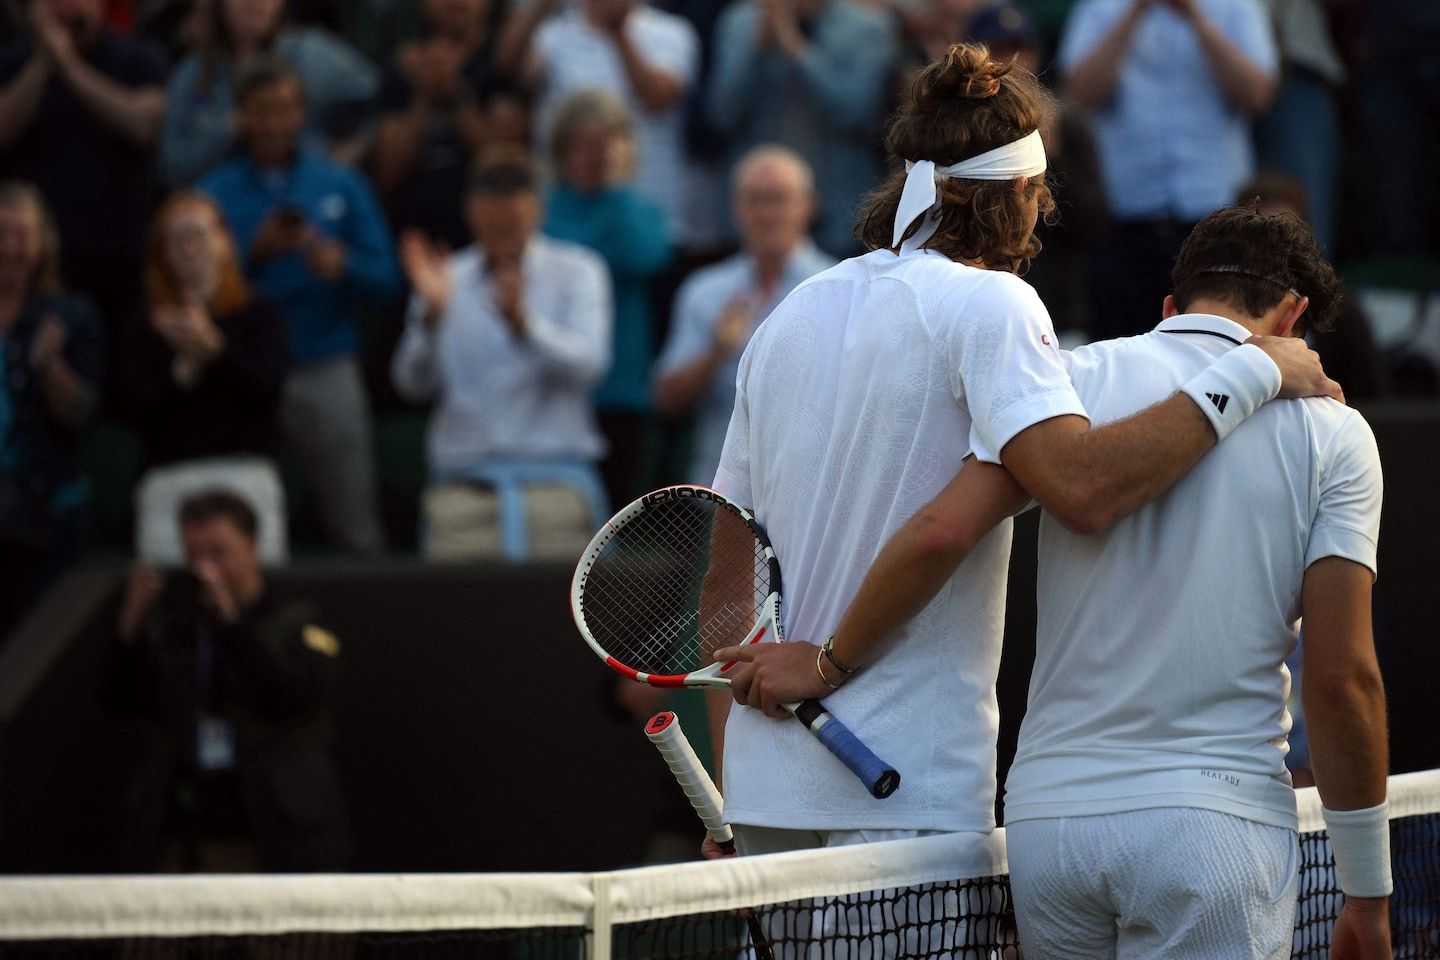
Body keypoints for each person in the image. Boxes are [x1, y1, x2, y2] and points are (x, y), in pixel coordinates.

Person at [698, 44, 1335, 866]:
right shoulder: (994, 304)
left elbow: (725, 565)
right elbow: (1080, 489)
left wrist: (729, 791)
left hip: (763, 800)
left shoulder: (792, 310)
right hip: (903, 797)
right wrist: (1251, 368)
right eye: (1039, 194)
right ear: (1021, 193)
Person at [736, 205, 1392, 958]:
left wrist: (826, 661)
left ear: (1171, 307)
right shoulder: (1334, 434)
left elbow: (939, 531)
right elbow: (1342, 681)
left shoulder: (1064, 384)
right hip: (1214, 827)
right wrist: (1367, 893)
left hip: (1050, 833)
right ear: (1295, 317)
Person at [201, 58, 400, 555]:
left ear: (302, 114)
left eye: (287, 110)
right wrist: (254, 254)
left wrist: (342, 267)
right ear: (241, 117)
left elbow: (387, 281)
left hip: (325, 364)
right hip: (242, 374)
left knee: (355, 527)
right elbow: (194, 288)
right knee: (245, 532)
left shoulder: (340, 183)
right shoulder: (215, 193)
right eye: (262, 111)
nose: (275, 123)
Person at [105, 490, 350, 872]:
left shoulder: (297, 620)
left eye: (219, 554)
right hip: (191, 831)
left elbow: (297, 697)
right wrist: (130, 628)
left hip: (280, 831)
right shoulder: (178, 626)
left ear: (252, 545)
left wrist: (234, 624)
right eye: (195, 556)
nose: (206, 570)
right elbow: (120, 704)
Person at [392, 150, 612, 562]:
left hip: (555, 485)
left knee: (559, 623)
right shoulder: (446, 277)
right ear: (472, 213)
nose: (504, 234)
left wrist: (524, 326)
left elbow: (590, 366)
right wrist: (430, 319)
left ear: (537, 210)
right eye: (493, 224)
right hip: (463, 488)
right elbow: (411, 384)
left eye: (514, 223)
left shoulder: (579, 271)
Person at [1058, 0, 1277, 340]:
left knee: (1216, 346)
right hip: (1126, 214)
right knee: (1125, 350)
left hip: (1215, 213)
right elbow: (1081, 92)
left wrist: (1195, 16)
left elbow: (1256, 94)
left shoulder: (1236, 6)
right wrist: (1135, 11)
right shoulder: (1101, 7)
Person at [117, 191, 290, 566]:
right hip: (170, 479)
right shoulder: (145, 325)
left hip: (245, 475)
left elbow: (268, 389)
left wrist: (215, 350)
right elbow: (134, 408)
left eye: (199, 234)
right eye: (177, 238)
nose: (191, 248)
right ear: (162, 254)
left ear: (226, 242)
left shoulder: (259, 313)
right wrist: (183, 368)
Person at [654, 145, 833, 487]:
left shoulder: (837, 287)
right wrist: (716, 351)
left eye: (778, 199)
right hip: (720, 493)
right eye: (754, 200)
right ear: (735, 208)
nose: (766, 213)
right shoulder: (705, 291)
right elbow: (667, 402)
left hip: (809, 490)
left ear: (808, 206)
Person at [0, 0, 168, 331]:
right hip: (29, 259)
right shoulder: (11, 59)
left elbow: (144, 126)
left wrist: (67, 64)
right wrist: (43, 63)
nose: (66, 8)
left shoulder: (138, 56)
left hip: (118, 254)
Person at [544, 89, 671, 509]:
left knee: (615, 516)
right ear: (562, 151)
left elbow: (645, 254)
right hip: (555, 386)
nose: (593, 156)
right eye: (582, 144)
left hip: (621, 387)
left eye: (605, 143)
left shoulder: (637, 208)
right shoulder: (545, 210)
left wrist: (615, 187)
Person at [706, 0, 899, 259]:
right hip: (759, 211)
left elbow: (855, 113)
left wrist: (797, 49)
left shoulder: (867, 28)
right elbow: (722, 115)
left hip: (839, 212)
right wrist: (757, 50)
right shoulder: (741, 22)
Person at [498, 0, 699, 246]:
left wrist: (618, 32)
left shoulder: (671, 32)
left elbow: (656, 99)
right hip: (567, 220)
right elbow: (510, 69)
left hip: (645, 217)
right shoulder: (552, 34)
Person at [0, 180, 101, 644]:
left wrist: (49, 366)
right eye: (2, 233)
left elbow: (80, 415)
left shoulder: (69, 316)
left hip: (45, 517)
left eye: (22, 234)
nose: (10, 247)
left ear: (43, 244)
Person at [159, 0, 379, 188]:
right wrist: (228, 129)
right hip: (224, 209)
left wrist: (346, 156)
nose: (253, 3)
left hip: (306, 200)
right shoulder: (195, 73)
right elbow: (173, 168)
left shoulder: (311, 54)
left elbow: (379, 96)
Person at [370, 0, 527, 250]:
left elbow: (507, 162)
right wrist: (422, 97)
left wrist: (454, 94)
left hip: (487, 242)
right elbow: (387, 175)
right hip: (413, 242)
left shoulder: (502, 61)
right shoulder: (404, 66)